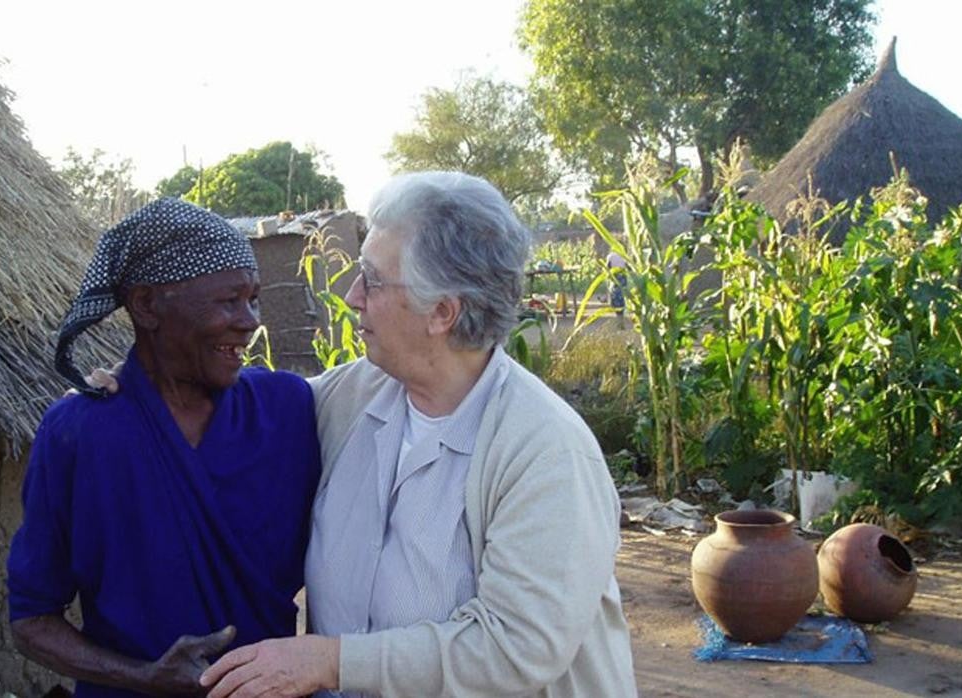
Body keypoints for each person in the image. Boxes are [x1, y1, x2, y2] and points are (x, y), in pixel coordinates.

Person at [199, 172, 637, 697]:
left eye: (373, 279)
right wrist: (131, 394)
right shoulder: (355, 397)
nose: (353, 296)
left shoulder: (544, 451)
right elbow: (245, 413)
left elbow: (517, 648)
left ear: (442, 312)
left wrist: (332, 662)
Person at [6, 198, 321, 697]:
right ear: (148, 305)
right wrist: (144, 678)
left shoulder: (290, 409)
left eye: (253, 299)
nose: (250, 321)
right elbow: (31, 619)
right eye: (227, 301)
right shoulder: (79, 434)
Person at [606, 250, 627, 317]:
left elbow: (608, 266)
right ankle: (622, 310)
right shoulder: (623, 255)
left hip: (615, 276)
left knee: (615, 293)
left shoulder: (610, 256)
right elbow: (627, 265)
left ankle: (617, 311)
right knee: (622, 293)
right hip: (623, 276)